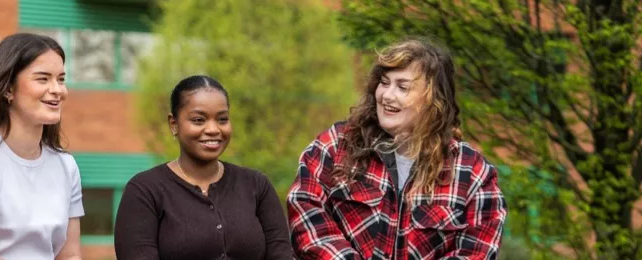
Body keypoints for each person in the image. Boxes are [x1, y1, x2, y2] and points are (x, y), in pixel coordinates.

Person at [286, 38, 506, 260]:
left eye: (403, 87)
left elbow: (476, 252)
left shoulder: (473, 173)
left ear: (433, 100)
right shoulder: (335, 146)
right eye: (384, 82)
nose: (387, 95)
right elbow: (307, 215)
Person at [114, 75, 294, 260]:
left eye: (222, 119)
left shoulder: (256, 186)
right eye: (199, 120)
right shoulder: (145, 191)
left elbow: (281, 254)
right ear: (173, 124)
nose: (213, 129)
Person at [0, 33, 83, 260]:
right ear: (8, 89)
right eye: (43, 79)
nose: (58, 89)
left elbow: (70, 255)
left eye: (61, 79)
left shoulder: (67, 166)